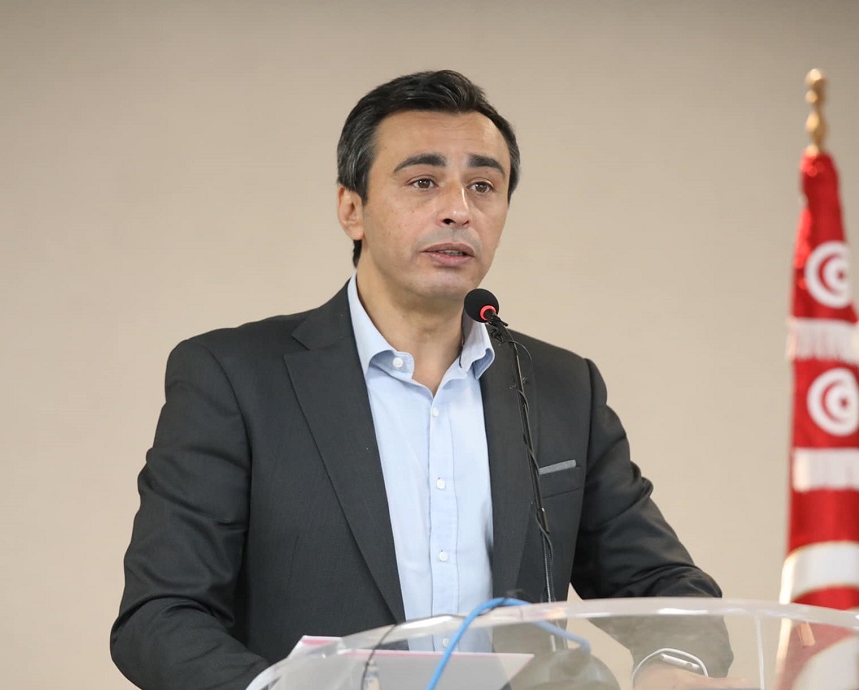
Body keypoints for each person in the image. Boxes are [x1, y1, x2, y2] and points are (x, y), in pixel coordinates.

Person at [111, 70, 731, 690]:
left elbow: (669, 590)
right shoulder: (236, 378)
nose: (458, 210)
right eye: (423, 182)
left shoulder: (561, 388)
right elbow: (161, 617)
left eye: (483, 186)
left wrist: (675, 665)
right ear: (351, 208)